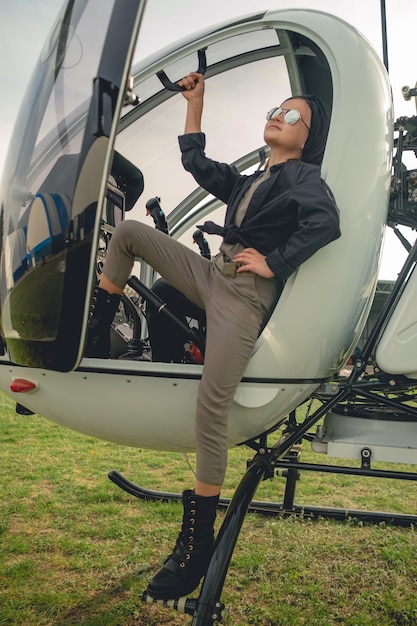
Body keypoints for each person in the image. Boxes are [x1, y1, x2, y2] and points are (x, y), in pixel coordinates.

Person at [86, 71, 341, 600]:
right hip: (211, 275)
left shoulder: (304, 180)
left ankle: (197, 544)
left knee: (212, 407)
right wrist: (195, 103)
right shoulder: (251, 178)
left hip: (244, 297)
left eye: (294, 116)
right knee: (131, 233)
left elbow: (325, 224)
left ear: (308, 137)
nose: (280, 115)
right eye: (278, 107)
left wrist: (274, 263)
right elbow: (196, 164)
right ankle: (93, 334)